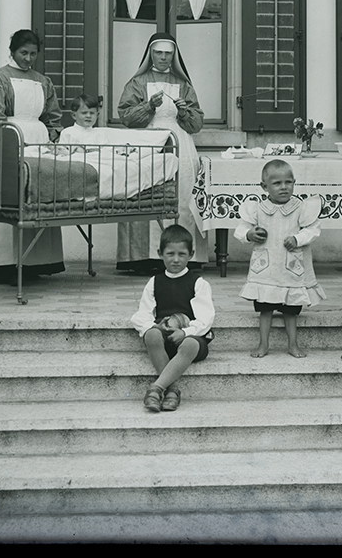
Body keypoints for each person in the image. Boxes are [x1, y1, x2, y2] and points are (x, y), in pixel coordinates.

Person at [0, 30, 66, 283]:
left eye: (33, 54)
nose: (28, 58)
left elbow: (53, 115)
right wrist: (9, 139)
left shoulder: (43, 81)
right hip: (10, 140)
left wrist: (52, 134)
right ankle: (2, 263)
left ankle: (37, 262)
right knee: (13, 195)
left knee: (39, 193)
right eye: (23, 53)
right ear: (12, 52)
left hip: (39, 141)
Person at [116, 32, 207, 273]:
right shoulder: (137, 83)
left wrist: (184, 112)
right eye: (159, 53)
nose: (164, 58)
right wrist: (148, 106)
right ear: (151, 54)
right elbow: (126, 117)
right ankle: (143, 257)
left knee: (183, 194)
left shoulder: (184, 85)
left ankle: (186, 255)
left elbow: (197, 124)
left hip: (181, 143)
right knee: (145, 191)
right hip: (147, 141)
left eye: (168, 53)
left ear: (174, 56)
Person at [235, 159, 326, 358]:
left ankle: (293, 344)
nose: (284, 187)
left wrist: (298, 239)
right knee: (265, 309)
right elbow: (241, 229)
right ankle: (263, 344)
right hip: (266, 269)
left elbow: (313, 230)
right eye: (277, 183)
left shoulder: (301, 208)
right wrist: (250, 234)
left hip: (290, 268)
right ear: (264, 186)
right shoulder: (258, 209)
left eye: (288, 182)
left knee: (290, 310)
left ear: (294, 182)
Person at [129, 225, 215, 413]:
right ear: (160, 254)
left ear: (191, 254)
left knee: (190, 344)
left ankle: (157, 388)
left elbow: (205, 319)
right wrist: (156, 327)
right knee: (151, 334)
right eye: (170, 254)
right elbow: (142, 314)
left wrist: (185, 332)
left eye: (182, 254)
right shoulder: (155, 281)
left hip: (191, 338)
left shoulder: (198, 283)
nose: (176, 259)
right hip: (165, 338)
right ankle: (172, 390)